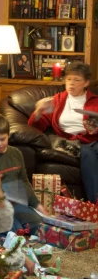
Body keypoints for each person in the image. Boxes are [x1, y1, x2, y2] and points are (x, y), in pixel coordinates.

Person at [29, 61, 98, 202]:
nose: (71, 83)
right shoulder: (57, 100)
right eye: (69, 79)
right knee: (87, 153)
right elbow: (36, 127)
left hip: (92, 140)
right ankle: (95, 203)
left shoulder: (95, 102)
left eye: (77, 80)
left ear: (86, 83)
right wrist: (38, 112)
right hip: (69, 144)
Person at [0, 114, 49, 231]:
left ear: (8, 135)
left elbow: (24, 181)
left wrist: (37, 205)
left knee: (39, 225)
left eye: (3, 139)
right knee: (13, 231)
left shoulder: (16, 153)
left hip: (16, 205)